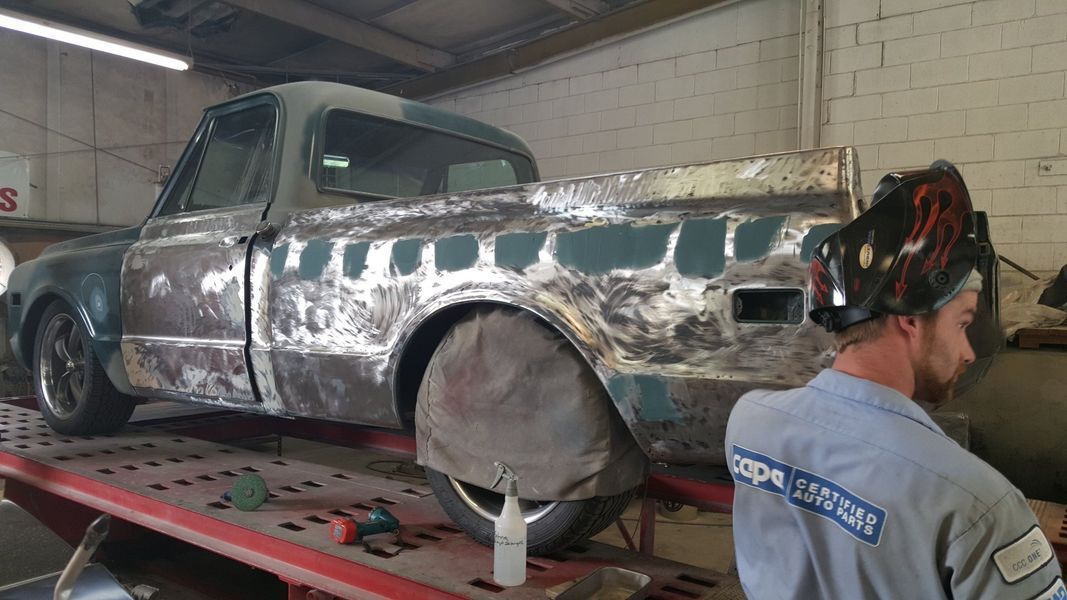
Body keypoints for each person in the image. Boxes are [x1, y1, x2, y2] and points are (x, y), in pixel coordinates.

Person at [725, 161, 1065, 599]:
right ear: (909, 318)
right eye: (962, 324)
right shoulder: (978, 504)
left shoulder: (749, 422)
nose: (969, 352)